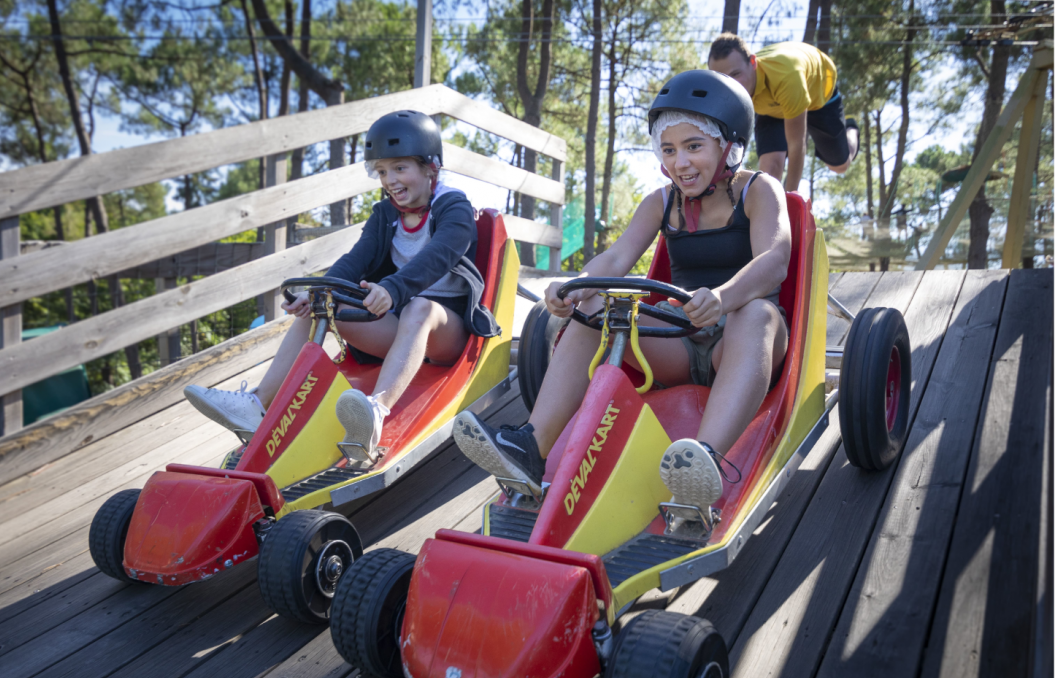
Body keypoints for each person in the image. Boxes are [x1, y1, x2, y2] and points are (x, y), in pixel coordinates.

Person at [453, 70, 790, 512]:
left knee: (757, 314)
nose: (680, 162)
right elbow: (614, 260)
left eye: (694, 146)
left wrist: (724, 297)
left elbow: (776, 259)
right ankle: (530, 448)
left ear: (729, 146)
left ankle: (702, 465)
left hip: (743, 342)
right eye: (668, 150)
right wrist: (574, 289)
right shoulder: (661, 202)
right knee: (600, 302)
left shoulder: (758, 190)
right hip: (680, 340)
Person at [184, 110, 499, 457]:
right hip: (398, 330)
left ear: (430, 168)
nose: (390, 179)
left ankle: (375, 411)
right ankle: (257, 404)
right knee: (324, 300)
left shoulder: (453, 206)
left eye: (400, 168)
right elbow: (356, 259)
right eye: (381, 171)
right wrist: (318, 290)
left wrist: (394, 289)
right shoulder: (386, 215)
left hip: (446, 335)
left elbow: (440, 254)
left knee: (420, 309)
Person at [707, 33, 858, 194]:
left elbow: (796, 145)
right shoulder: (728, 89)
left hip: (818, 95)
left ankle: (851, 130)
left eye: (736, 74)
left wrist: (791, 199)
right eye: (723, 78)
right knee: (769, 169)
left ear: (753, 62)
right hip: (771, 106)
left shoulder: (787, 77)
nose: (731, 85)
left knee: (840, 166)